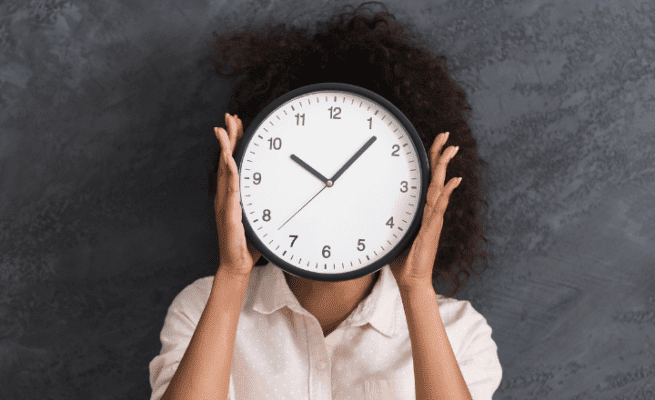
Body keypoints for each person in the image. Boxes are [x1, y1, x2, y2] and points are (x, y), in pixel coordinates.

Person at [149, 2, 502, 399]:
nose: (332, 186)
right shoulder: (201, 307)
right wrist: (233, 277)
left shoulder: (459, 331)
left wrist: (416, 289)